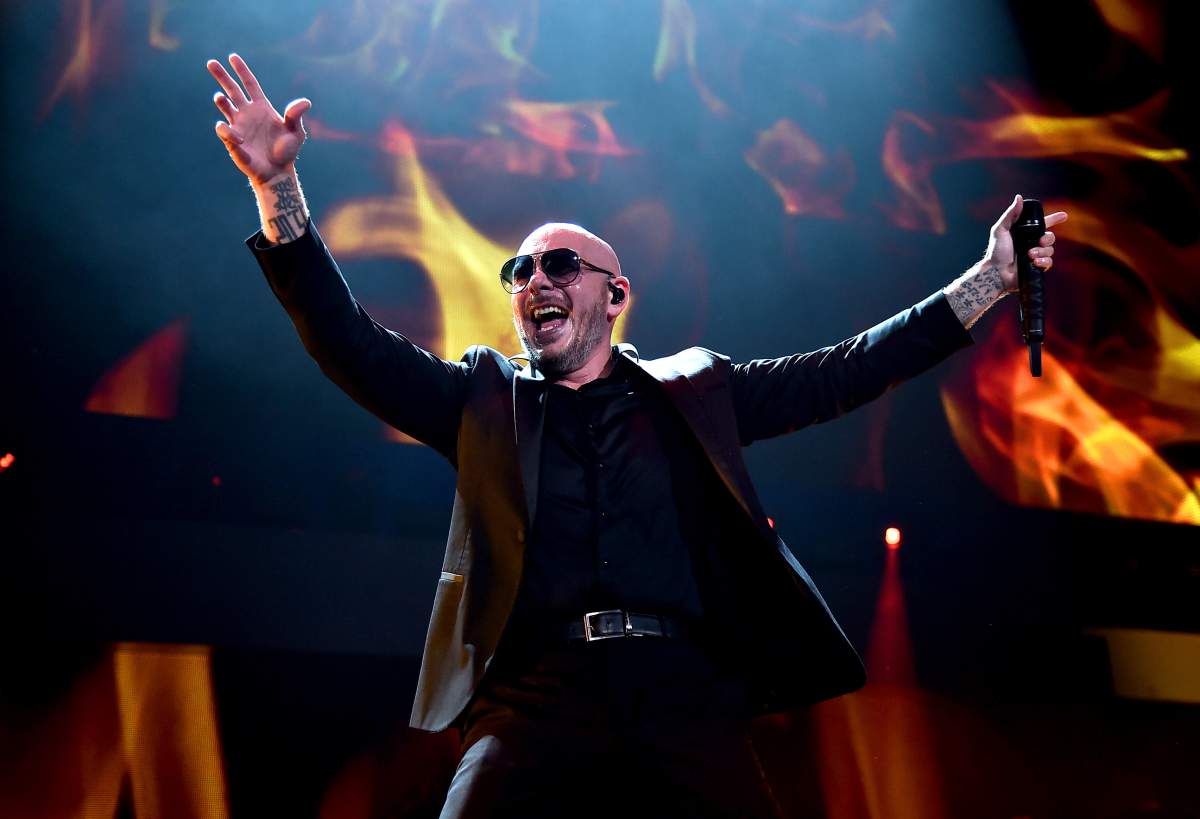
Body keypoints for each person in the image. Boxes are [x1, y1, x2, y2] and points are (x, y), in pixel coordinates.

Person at [207, 54, 1066, 818]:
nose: (533, 279)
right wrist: (276, 193)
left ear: (615, 297)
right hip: (534, 698)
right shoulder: (481, 398)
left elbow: (846, 369)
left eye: (559, 265)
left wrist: (990, 281)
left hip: (681, 692)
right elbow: (347, 342)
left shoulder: (695, 390)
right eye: (520, 271)